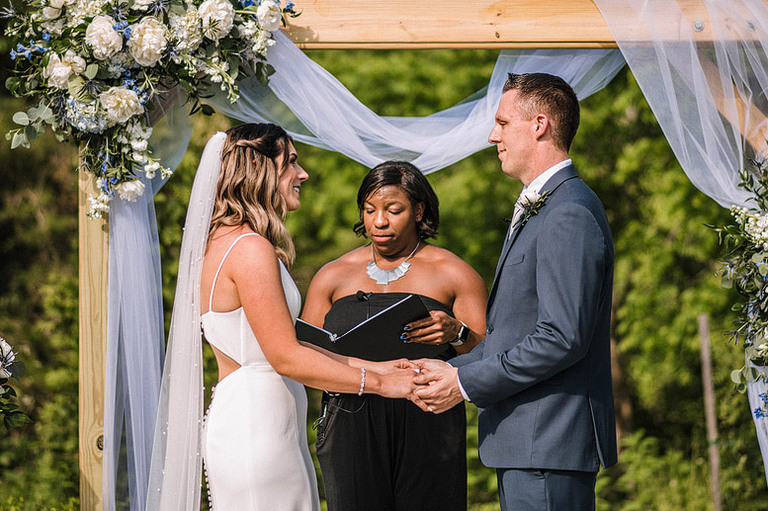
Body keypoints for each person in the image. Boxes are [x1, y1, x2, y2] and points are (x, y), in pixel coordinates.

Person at [145, 124, 426, 511]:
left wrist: (384, 366)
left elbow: (295, 345)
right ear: (261, 170)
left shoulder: (224, 243)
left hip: (260, 423)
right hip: (256, 430)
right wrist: (380, 384)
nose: (303, 173)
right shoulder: (250, 248)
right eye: (291, 162)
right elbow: (286, 357)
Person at [413, 73, 618, 510]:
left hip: (548, 444)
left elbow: (561, 338)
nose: (492, 136)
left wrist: (464, 383)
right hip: (530, 446)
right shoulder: (549, 206)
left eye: (503, 123)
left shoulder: (569, 212)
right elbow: (514, 331)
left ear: (539, 124)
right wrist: (442, 369)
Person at [301, 160, 488, 511]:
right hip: (349, 420)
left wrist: (457, 332)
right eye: (369, 210)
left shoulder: (455, 273)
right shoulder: (332, 276)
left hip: (428, 420)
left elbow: (489, 355)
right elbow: (306, 357)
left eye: (393, 210)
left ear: (419, 210)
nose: (379, 221)